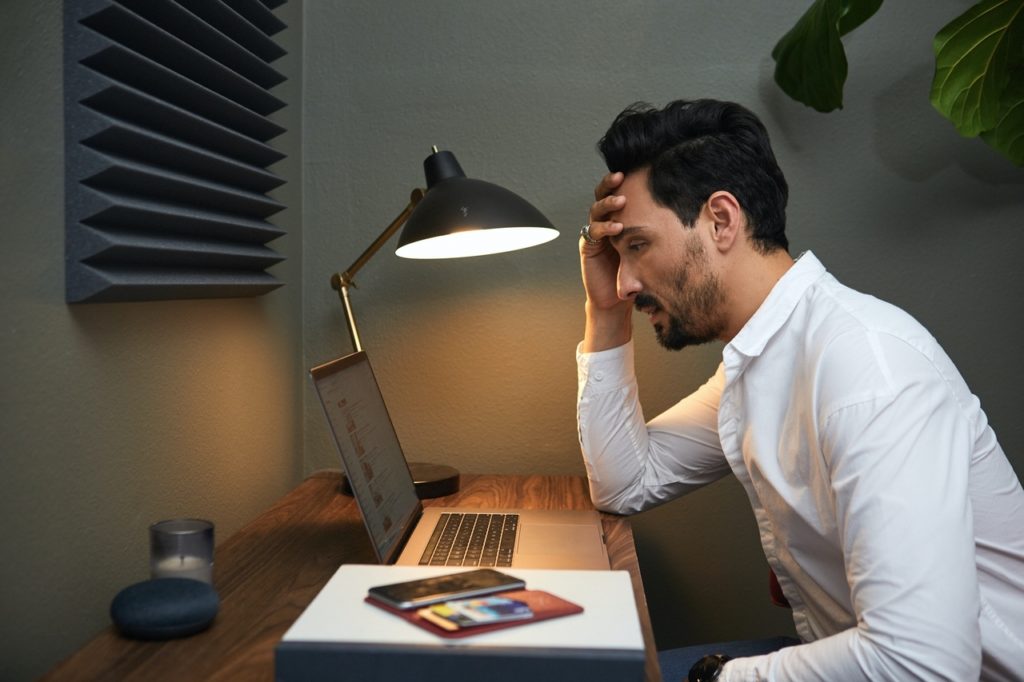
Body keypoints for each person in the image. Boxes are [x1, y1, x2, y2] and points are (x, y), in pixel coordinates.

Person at [576, 98, 1024, 681]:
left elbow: (922, 665)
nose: (627, 280)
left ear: (721, 220)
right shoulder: (760, 364)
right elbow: (624, 482)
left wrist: (720, 677)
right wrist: (604, 311)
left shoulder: (865, 369)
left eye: (635, 246)